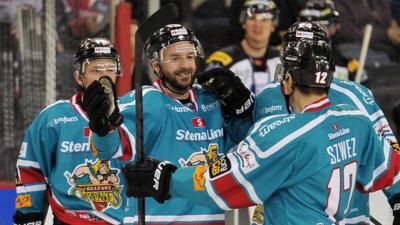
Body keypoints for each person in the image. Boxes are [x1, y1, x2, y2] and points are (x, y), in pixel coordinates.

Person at [121, 21, 400, 225]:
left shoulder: (352, 97)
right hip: (277, 213)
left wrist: (167, 178)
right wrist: (241, 110)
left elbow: (237, 174)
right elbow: (388, 161)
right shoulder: (351, 120)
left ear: (289, 74)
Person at [83, 24, 254, 224]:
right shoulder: (146, 101)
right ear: (156, 65)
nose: (185, 65)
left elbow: (248, 145)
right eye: (174, 58)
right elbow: (108, 150)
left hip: (212, 220)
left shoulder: (212, 99)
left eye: (190, 56)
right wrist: (102, 129)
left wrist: (244, 109)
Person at [13, 38, 131, 225]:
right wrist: (29, 215)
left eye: (110, 70)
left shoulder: (132, 115)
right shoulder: (54, 118)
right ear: (79, 77)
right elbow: (31, 168)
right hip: (69, 220)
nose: (104, 78)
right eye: (96, 70)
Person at [205, 0, 281, 94]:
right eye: (252, 18)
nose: (258, 25)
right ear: (243, 23)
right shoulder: (222, 62)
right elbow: (206, 97)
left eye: (264, 19)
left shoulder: (282, 59)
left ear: (273, 25)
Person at [297, 0, 370, 83]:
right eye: (334, 23)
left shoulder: (349, 65)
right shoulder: (285, 59)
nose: (338, 27)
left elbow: (363, 89)